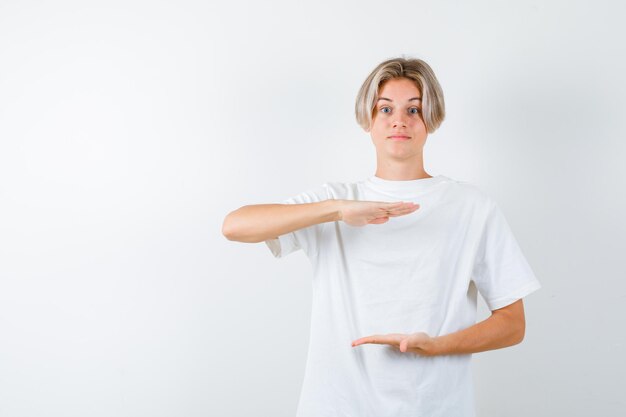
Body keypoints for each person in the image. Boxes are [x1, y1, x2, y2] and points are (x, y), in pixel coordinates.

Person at [222, 56, 542, 417]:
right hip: (335, 406)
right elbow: (235, 226)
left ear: (431, 120)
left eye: (414, 110)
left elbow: (513, 324)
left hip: (436, 406)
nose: (399, 121)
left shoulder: (471, 207)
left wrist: (436, 346)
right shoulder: (336, 200)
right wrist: (338, 210)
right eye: (385, 108)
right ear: (368, 119)